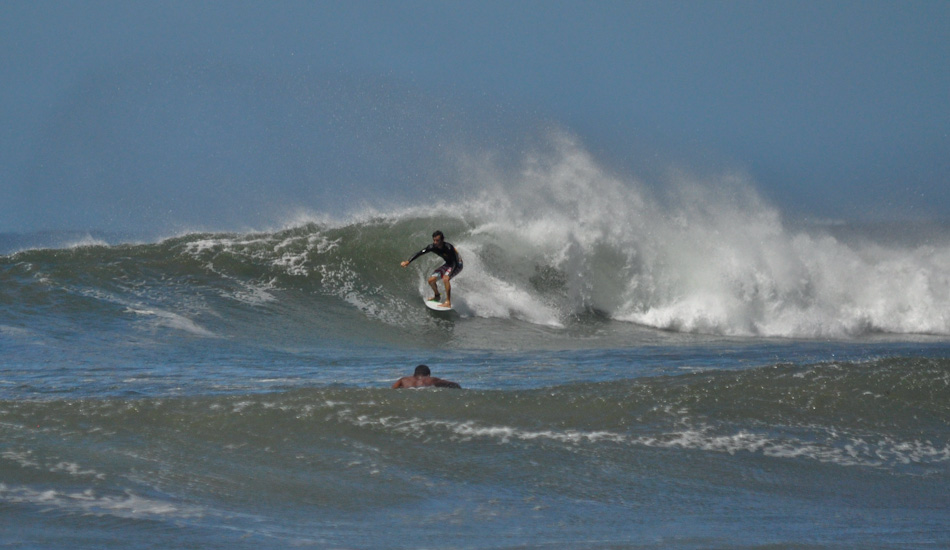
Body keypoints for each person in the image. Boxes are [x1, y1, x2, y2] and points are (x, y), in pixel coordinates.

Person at [400, 230, 463, 308]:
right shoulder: (432, 247)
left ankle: (448, 302)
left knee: (446, 279)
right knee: (431, 280)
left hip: (457, 264)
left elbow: (454, 263)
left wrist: (448, 275)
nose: (435, 242)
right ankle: (437, 296)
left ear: (442, 240)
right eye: (434, 240)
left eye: (438, 240)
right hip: (448, 264)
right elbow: (420, 253)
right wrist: (408, 261)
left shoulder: (448, 248)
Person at [392, 364, 461, 389]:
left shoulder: (403, 380)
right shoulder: (432, 380)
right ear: (428, 375)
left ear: (414, 374)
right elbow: (451, 384)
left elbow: (393, 388)